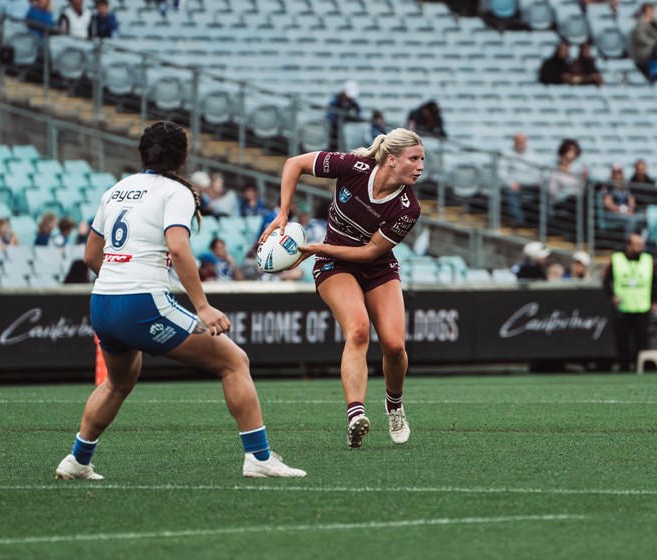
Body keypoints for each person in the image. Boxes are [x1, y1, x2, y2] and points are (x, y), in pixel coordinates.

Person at [54, 121, 305, 480]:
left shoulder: (117, 189)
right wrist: (202, 306)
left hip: (103, 302)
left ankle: (77, 461)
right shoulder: (176, 192)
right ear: (183, 158)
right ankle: (259, 458)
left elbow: (92, 254)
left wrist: (119, 278)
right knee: (234, 361)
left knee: (117, 383)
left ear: (142, 153)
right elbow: (177, 245)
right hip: (140, 302)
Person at [259, 128, 424, 450]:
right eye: (414, 158)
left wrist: (315, 248)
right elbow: (294, 163)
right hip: (336, 265)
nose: (420, 166)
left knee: (393, 345)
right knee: (358, 330)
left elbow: (368, 253)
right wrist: (283, 213)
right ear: (391, 160)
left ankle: (394, 405)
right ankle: (356, 415)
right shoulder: (352, 166)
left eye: (422, 159)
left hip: (376, 266)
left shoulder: (408, 207)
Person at [603, 233, 657, 372]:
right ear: (629, 245)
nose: (640, 248)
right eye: (637, 245)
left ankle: (640, 367)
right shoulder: (616, 259)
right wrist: (612, 296)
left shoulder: (648, 260)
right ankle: (624, 367)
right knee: (622, 339)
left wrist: (656, 300)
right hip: (622, 307)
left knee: (642, 339)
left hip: (642, 306)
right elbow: (606, 282)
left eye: (641, 245)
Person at [499, 133, 542, 228]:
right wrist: (510, 183)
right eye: (518, 141)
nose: (520, 143)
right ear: (514, 142)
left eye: (522, 141)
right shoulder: (507, 153)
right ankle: (520, 220)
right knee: (510, 192)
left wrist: (540, 180)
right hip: (515, 184)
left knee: (546, 192)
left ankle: (540, 222)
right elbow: (502, 172)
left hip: (532, 184)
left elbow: (539, 170)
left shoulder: (533, 154)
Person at [601, 163, 642, 236]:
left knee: (640, 218)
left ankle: (636, 242)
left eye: (619, 172)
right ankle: (628, 242)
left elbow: (631, 200)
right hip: (611, 214)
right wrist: (620, 210)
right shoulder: (608, 185)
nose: (618, 175)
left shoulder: (626, 186)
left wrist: (629, 210)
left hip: (625, 213)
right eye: (615, 172)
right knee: (631, 220)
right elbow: (607, 203)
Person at [325, 80, 361, 150]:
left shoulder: (352, 102)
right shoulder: (335, 101)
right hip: (333, 130)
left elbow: (358, 113)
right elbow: (330, 116)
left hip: (343, 130)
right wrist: (342, 117)